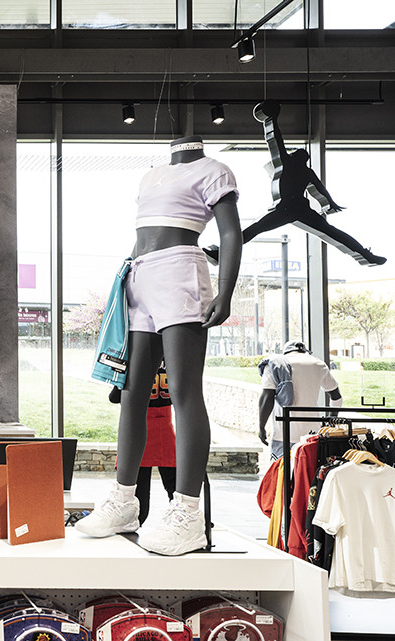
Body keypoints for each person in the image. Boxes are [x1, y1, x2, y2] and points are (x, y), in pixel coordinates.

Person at [76, 135, 242, 556]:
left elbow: (230, 233)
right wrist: (125, 278)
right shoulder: (151, 176)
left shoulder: (214, 170)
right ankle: (124, 500)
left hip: (180, 271)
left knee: (184, 392)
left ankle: (187, 512)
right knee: (132, 391)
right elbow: (142, 234)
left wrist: (225, 292)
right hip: (140, 274)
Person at [205, 100, 385, 267]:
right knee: (333, 233)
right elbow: (320, 191)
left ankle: (220, 254)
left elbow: (275, 140)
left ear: (295, 157)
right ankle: (365, 255)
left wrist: (272, 120)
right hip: (300, 209)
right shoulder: (306, 171)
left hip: (286, 209)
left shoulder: (288, 163)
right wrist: (328, 204)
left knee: (253, 230)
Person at [109, 363, 177, 525]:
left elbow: (114, 397)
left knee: (139, 496)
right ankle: (184, 519)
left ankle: (131, 524)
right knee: (174, 487)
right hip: (165, 431)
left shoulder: (136, 367)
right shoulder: (173, 368)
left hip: (138, 432)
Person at [259, 340, 343, 460]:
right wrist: (331, 421)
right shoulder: (319, 364)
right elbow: (336, 396)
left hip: (283, 434)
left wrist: (261, 427)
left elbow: (267, 397)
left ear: (286, 351)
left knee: (281, 470)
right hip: (312, 435)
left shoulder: (275, 364)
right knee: (309, 470)